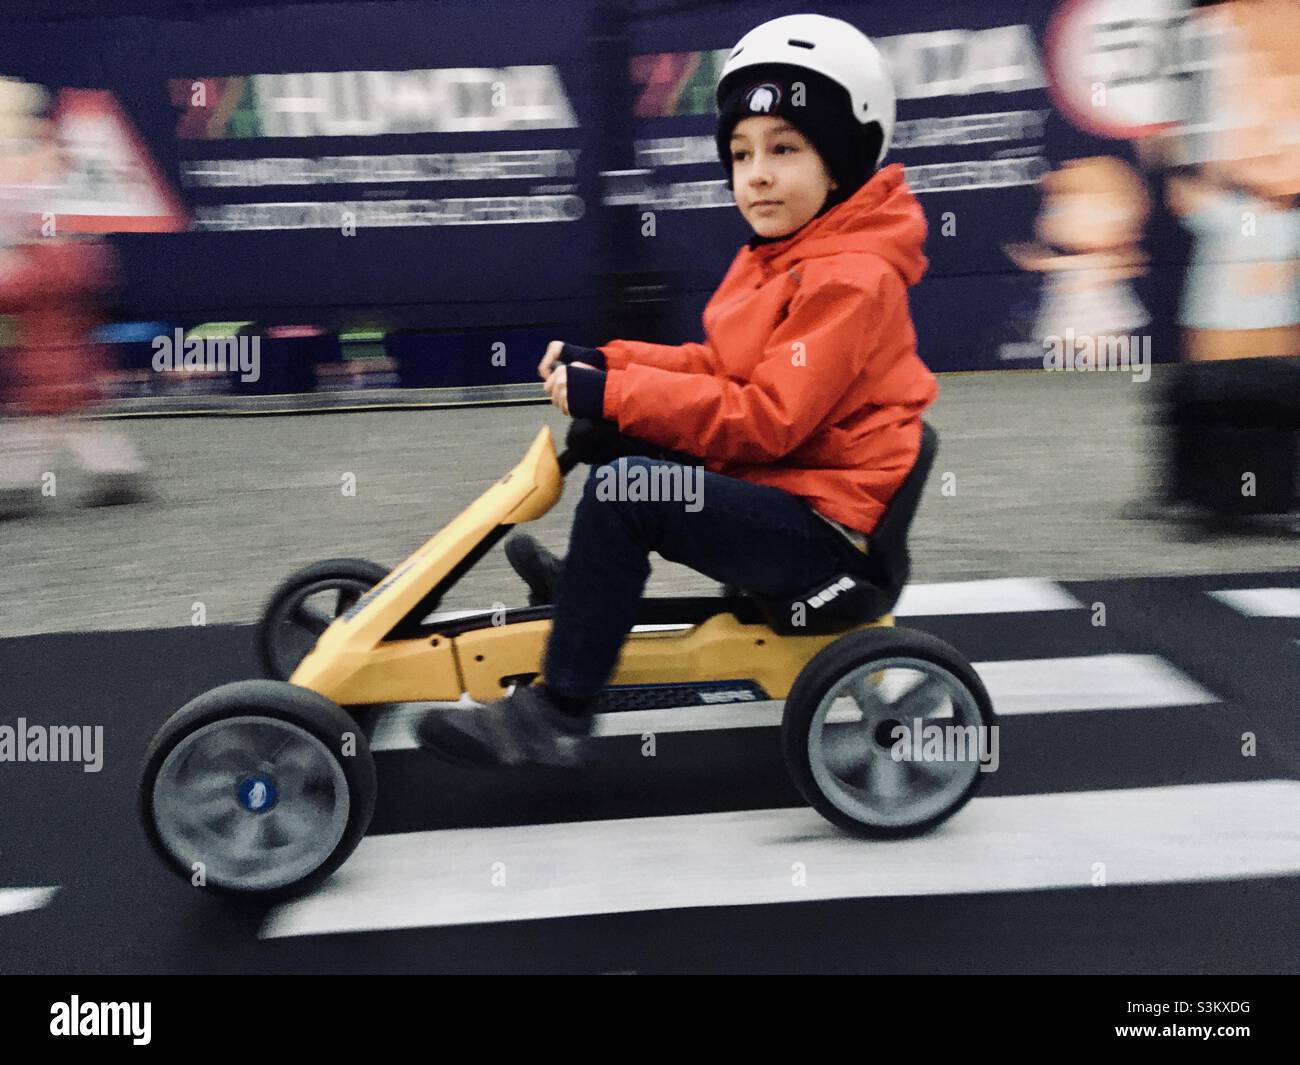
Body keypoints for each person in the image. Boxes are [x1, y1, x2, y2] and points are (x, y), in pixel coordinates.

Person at [416, 13, 938, 768]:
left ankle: (558, 713)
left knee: (630, 490)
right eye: (741, 152)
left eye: (785, 149)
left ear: (842, 162)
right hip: (790, 493)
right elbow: (719, 371)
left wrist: (620, 394)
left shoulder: (849, 279)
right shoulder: (782, 256)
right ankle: (594, 588)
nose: (755, 172)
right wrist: (613, 367)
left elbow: (762, 423)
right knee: (619, 435)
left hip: (828, 544)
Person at [0, 77, 146, 518]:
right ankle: (117, 475)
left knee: (39, 427)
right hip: (67, 358)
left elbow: (14, 293)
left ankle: (15, 490)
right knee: (65, 426)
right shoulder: (76, 255)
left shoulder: (42, 260)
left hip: (50, 361)